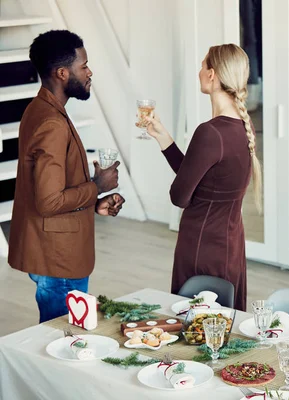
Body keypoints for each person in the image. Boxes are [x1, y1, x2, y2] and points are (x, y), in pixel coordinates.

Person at [8, 30, 125, 323]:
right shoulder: (51, 123)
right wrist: (96, 186)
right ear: (62, 73)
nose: (89, 72)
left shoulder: (39, 109)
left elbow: (49, 192)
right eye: (83, 66)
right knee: (62, 341)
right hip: (58, 259)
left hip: (52, 253)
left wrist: (93, 202)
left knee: (56, 338)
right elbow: (48, 201)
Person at [144, 44, 262, 311]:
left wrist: (186, 187)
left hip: (200, 243)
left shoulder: (210, 132)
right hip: (230, 242)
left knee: (194, 324)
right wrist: (163, 137)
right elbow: (205, 179)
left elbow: (180, 196)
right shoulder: (244, 126)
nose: (199, 72)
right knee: (224, 323)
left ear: (212, 75)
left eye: (202, 65)